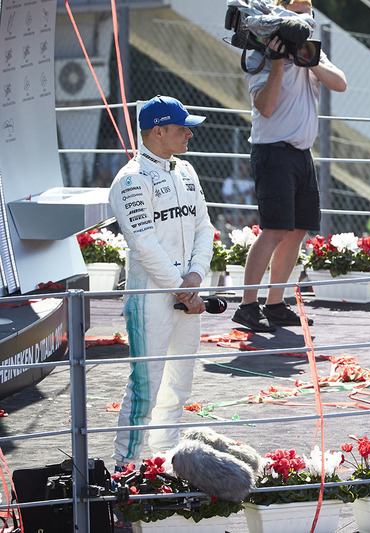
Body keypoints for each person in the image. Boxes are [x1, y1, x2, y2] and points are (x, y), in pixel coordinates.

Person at [108, 95, 214, 465]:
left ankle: (163, 458)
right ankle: (126, 469)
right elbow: (144, 245)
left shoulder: (186, 171)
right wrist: (185, 289)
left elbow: (204, 226)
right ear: (157, 131)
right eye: (182, 127)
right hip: (150, 298)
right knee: (145, 386)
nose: (189, 134)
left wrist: (196, 276)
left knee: (180, 383)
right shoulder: (130, 179)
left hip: (188, 292)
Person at [232, 0, 347, 332]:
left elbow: (339, 83)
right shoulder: (260, 52)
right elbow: (265, 108)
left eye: (307, 12)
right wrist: (279, 63)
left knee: (297, 231)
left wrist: (308, 60)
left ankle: (275, 303)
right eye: (296, 13)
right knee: (274, 230)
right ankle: (247, 306)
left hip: (301, 154)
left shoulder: (310, 49)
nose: (303, 19)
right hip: (273, 152)